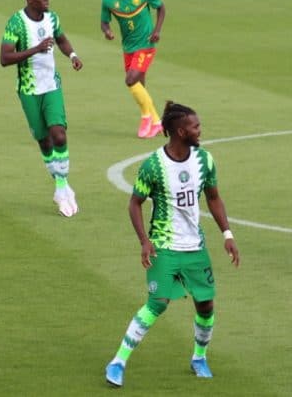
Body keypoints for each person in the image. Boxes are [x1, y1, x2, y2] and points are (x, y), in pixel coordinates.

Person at [105, 101, 240, 388]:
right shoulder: (153, 166)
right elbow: (135, 203)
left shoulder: (205, 160)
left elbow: (213, 198)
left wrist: (227, 235)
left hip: (195, 248)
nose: (200, 130)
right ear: (180, 131)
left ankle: (199, 358)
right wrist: (144, 241)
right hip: (164, 246)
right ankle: (118, 362)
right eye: (195, 127)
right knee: (157, 304)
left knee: (206, 305)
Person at [0, 0, 83, 217]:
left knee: (59, 134)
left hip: (51, 86)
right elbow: (4, 58)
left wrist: (73, 55)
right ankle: (61, 186)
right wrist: (36, 49)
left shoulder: (52, 18)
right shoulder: (16, 23)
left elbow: (61, 39)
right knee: (44, 141)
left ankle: (61, 186)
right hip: (28, 89)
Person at [100, 0, 166, 139]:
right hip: (128, 47)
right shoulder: (108, 0)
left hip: (146, 44)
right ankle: (157, 122)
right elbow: (104, 21)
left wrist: (157, 30)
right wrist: (107, 31)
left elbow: (161, 7)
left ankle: (146, 118)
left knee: (130, 80)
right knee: (139, 87)